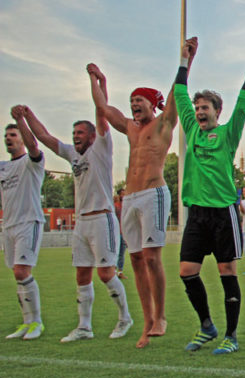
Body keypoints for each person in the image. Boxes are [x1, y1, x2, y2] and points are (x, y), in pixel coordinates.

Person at [22, 73, 133, 341]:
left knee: (106, 274)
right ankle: (84, 327)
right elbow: (45, 137)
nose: (76, 137)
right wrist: (26, 116)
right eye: (74, 134)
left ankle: (124, 318)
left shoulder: (102, 147)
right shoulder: (72, 154)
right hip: (81, 222)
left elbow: (101, 110)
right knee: (82, 275)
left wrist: (96, 81)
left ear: (94, 135)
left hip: (102, 219)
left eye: (80, 133)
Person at [174, 37, 245, 354]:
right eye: (196, 108)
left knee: (227, 272)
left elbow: (242, 106)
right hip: (196, 213)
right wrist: (184, 60)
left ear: (217, 111)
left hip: (223, 213)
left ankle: (231, 335)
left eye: (204, 107)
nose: (198, 111)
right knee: (187, 271)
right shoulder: (191, 129)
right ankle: (207, 326)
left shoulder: (227, 132)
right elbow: (179, 93)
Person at [91, 64, 174, 348]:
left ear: (152, 103)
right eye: (131, 101)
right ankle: (148, 321)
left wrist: (185, 60)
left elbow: (177, 96)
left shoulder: (163, 123)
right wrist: (98, 79)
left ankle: (161, 316)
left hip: (154, 193)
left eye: (139, 100)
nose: (134, 104)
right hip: (130, 198)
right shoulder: (129, 127)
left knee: (152, 257)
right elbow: (103, 108)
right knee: (136, 260)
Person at [2, 110, 45, 340]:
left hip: (29, 222)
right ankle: (26, 322)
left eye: (13, 135)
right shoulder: (2, 167)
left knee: (22, 271)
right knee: (17, 274)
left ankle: (37, 322)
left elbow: (34, 145)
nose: (8, 138)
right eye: (6, 136)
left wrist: (21, 121)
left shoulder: (32, 162)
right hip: (8, 226)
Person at [114, 188, 127, 279]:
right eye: (122, 194)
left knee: (122, 253)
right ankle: (114, 271)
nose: (124, 195)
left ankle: (120, 272)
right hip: (116, 233)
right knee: (116, 253)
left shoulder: (126, 206)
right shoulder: (115, 206)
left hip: (124, 233)